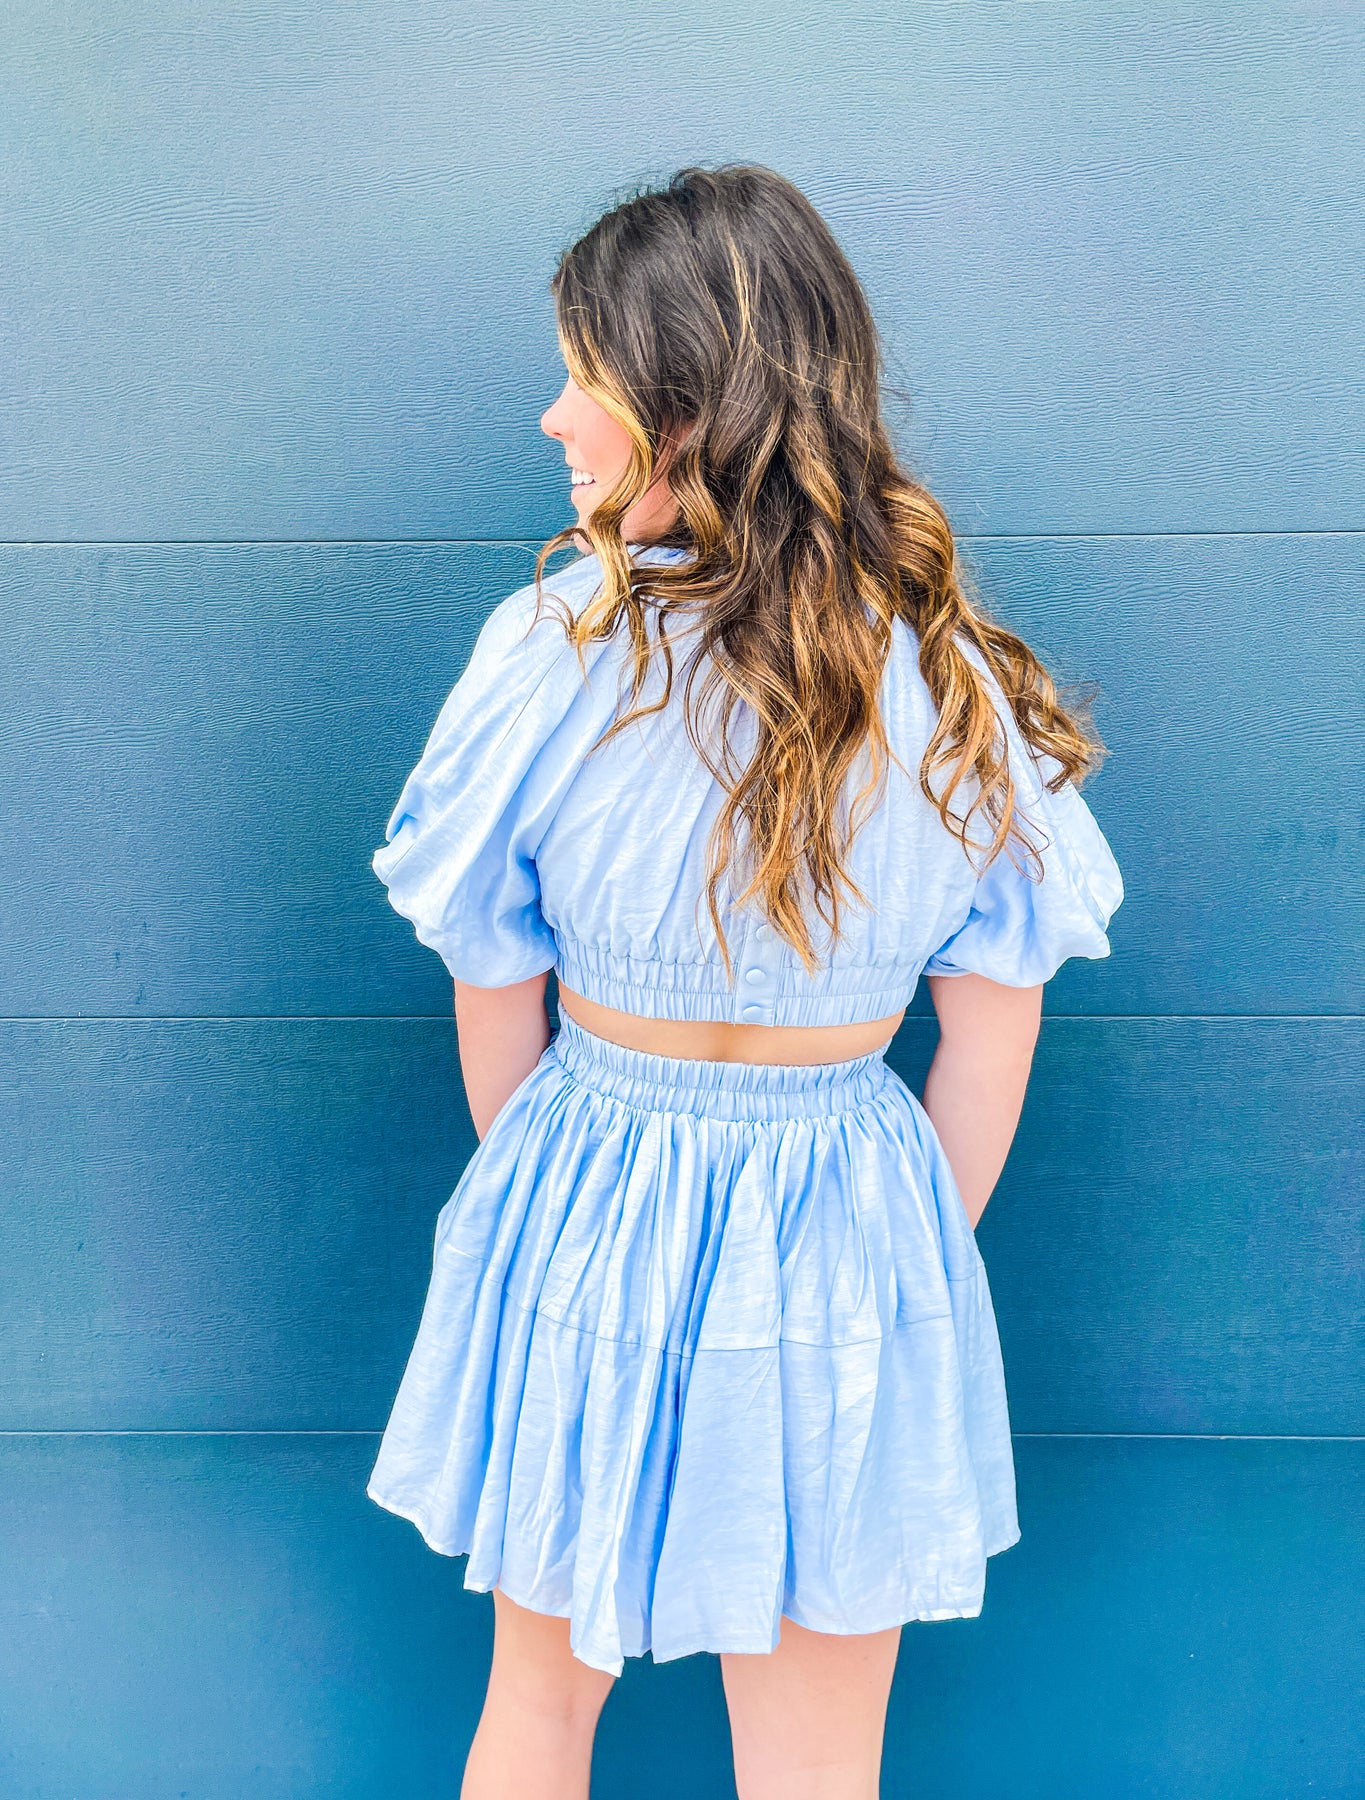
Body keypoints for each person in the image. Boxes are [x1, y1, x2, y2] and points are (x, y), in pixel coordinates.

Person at [366, 164, 1124, 1800]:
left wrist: (536, 1203)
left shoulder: (549, 653)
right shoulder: (962, 681)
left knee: (536, 1710)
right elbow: (990, 1043)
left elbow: (489, 985)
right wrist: (895, 1248)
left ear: (685, 407)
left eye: (585, 373)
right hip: (852, 1203)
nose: (553, 413)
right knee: (814, 1756)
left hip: (576, 1185)